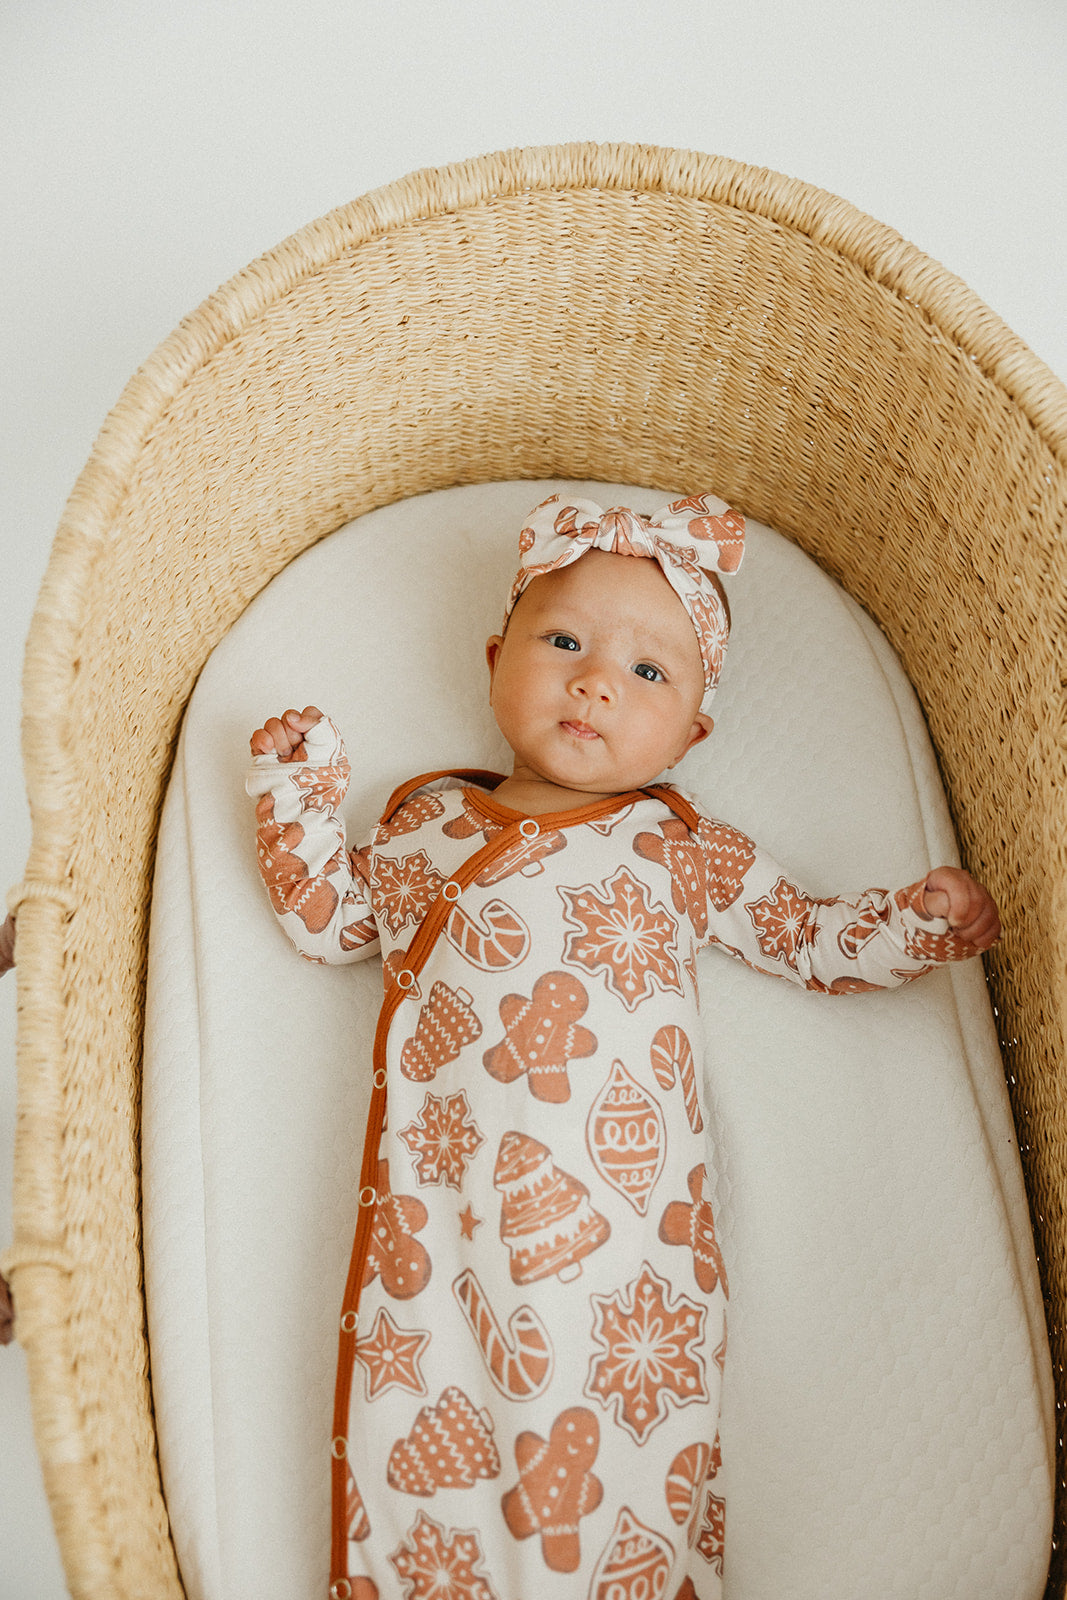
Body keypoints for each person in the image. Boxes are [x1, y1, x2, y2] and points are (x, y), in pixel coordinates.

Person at [247, 492, 999, 1600]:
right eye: (563, 644)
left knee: (618, 1432)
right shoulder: (425, 824)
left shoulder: (677, 846)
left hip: (626, 1229)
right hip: (442, 1198)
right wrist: (293, 792)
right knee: (432, 1408)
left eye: (650, 673)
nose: (596, 679)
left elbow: (800, 937)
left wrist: (914, 923)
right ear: (496, 657)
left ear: (690, 734)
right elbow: (331, 923)